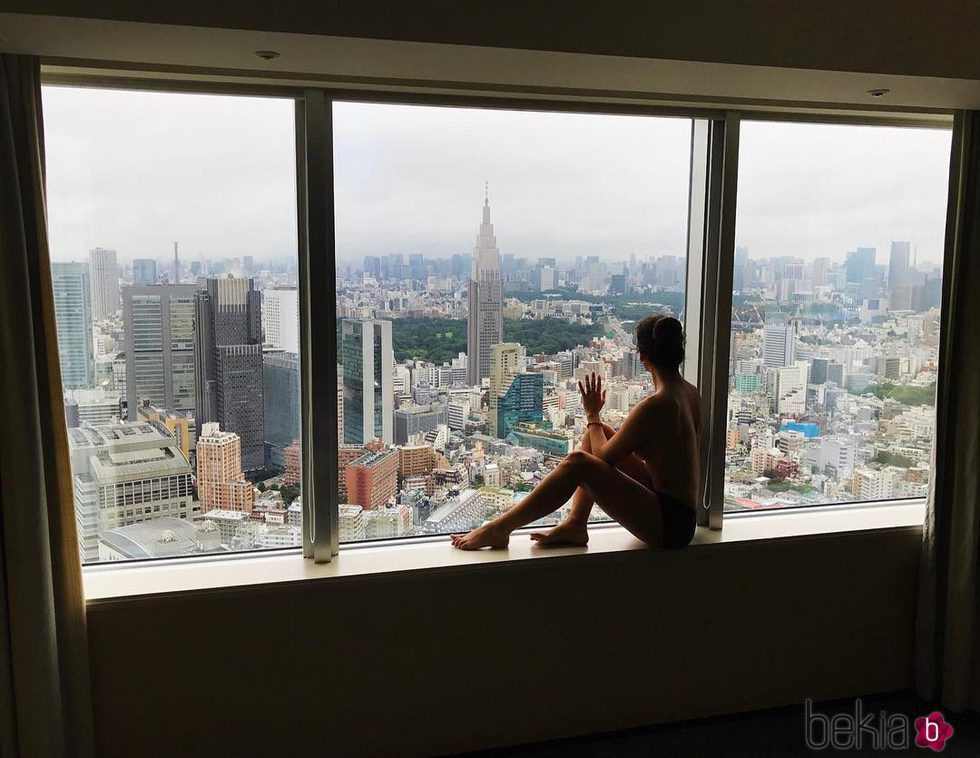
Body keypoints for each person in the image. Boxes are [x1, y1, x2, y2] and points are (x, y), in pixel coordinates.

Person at [451, 314, 700, 550]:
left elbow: (601, 458)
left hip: (670, 527)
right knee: (600, 431)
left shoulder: (655, 405)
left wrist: (592, 414)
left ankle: (500, 528)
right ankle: (576, 523)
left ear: (642, 356)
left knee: (577, 462)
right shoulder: (690, 393)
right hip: (682, 513)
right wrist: (596, 424)